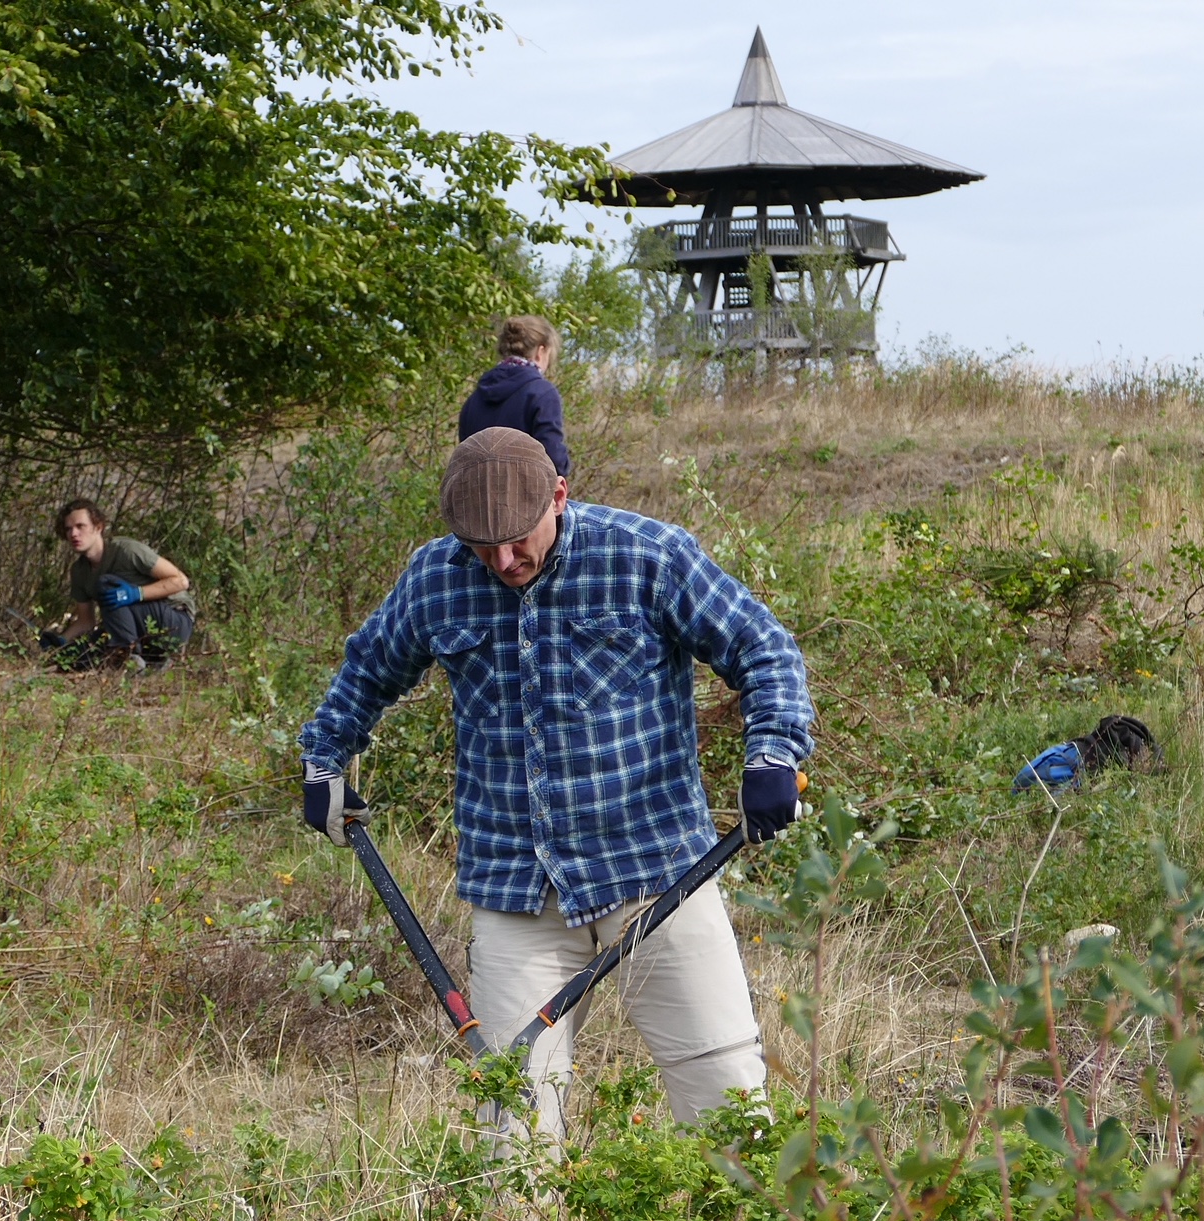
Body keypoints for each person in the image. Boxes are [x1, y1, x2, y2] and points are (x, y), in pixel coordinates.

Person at [297, 428, 812, 1146]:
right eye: (482, 546)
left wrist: (774, 753)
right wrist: (323, 758)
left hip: (658, 874)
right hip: (514, 889)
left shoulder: (646, 556)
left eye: (516, 540)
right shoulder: (435, 579)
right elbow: (366, 671)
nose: (502, 561)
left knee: (726, 1100)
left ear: (560, 497)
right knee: (509, 1126)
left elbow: (764, 648)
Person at [40, 498, 195, 671]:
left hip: (173, 619)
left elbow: (180, 581)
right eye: (68, 529)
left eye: (80, 526)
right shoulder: (79, 571)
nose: (73, 534)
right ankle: (147, 662)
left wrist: (136, 593)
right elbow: (86, 621)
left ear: (98, 527)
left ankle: (126, 659)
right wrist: (61, 641)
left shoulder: (127, 550)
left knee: (106, 584)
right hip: (132, 627)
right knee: (77, 655)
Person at [456, 315, 571, 478]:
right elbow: (553, 462)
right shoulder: (542, 393)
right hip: (526, 498)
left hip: (477, 500)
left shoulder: (474, 399)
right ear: (541, 351)